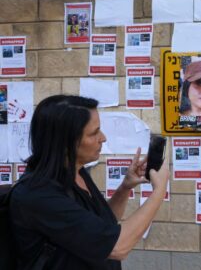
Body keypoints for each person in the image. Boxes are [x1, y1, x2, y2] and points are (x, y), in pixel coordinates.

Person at [9, 95, 169, 270]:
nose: (103, 138)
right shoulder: (38, 195)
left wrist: (125, 187)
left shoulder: (76, 171)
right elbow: (117, 247)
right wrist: (159, 191)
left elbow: (102, 226)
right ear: (65, 142)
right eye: (94, 133)